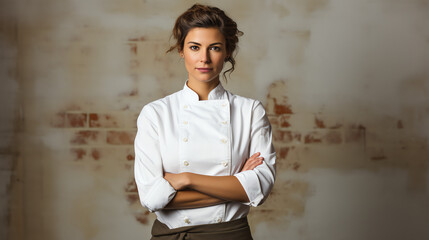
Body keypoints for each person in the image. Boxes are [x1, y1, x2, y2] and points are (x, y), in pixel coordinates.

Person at [134, 4, 276, 239]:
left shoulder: (250, 111)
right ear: (181, 51)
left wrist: (184, 179)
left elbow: (260, 188)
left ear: (227, 51)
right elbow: (152, 199)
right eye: (194, 47)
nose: (204, 58)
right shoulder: (155, 114)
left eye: (215, 48)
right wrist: (237, 186)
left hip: (229, 234)